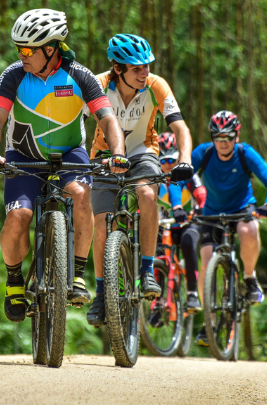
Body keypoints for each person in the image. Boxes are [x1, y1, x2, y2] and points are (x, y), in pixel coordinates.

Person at [0, 8, 128, 323]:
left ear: (51, 49)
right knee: (19, 216)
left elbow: (108, 118)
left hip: (69, 154)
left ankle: (77, 274)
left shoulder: (79, 75)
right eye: (19, 49)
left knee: (80, 195)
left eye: (28, 49)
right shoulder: (14, 75)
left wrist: (118, 153)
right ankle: (15, 280)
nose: (22, 55)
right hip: (23, 155)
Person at [83, 34, 194, 328]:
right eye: (136, 68)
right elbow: (73, 121)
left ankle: (146, 269)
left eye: (146, 66)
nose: (144, 72)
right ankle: (100, 292)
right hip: (104, 155)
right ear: (118, 69)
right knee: (101, 218)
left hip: (144, 152)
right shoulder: (97, 84)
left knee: (146, 194)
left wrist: (185, 159)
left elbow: (180, 127)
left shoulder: (156, 86)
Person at [192, 110, 267, 346]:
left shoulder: (245, 154)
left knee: (248, 231)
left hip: (241, 208)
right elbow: (183, 177)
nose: (223, 143)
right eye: (218, 138)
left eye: (228, 138)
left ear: (237, 136)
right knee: (206, 258)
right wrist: (179, 204)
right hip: (211, 211)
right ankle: (208, 322)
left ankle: (250, 278)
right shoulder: (203, 153)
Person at [156, 132, 206, 313]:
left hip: (187, 224)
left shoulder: (188, 173)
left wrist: (200, 207)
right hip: (165, 226)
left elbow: (201, 193)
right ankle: (158, 299)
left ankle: (192, 293)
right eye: (162, 161)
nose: (168, 165)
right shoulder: (155, 180)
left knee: (188, 242)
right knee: (155, 250)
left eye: (172, 160)